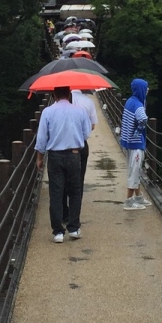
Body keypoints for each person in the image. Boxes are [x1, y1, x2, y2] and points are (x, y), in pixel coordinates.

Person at [36, 86, 91, 241]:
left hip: (54, 156)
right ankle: (74, 228)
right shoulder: (80, 111)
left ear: (54, 95)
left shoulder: (47, 112)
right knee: (75, 191)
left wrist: (39, 158)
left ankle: (58, 232)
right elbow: (86, 133)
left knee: (56, 193)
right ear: (69, 94)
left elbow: (41, 138)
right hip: (74, 154)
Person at [65, 88, 99, 227]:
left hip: (63, 145)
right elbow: (92, 126)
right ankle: (74, 216)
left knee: (62, 179)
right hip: (80, 145)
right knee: (78, 180)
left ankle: (64, 212)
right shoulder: (88, 102)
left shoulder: (59, 103)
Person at [119, 78, 150, 210]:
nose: (147, 90)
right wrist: (138, 132)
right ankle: (129, 201)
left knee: (134, 169)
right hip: (136, 144)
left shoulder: (129, 101)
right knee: (135, 170)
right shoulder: (138, 105)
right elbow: (143, 119)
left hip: (127, 142)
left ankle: (138, 197)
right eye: (146, 88)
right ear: (141, 89)